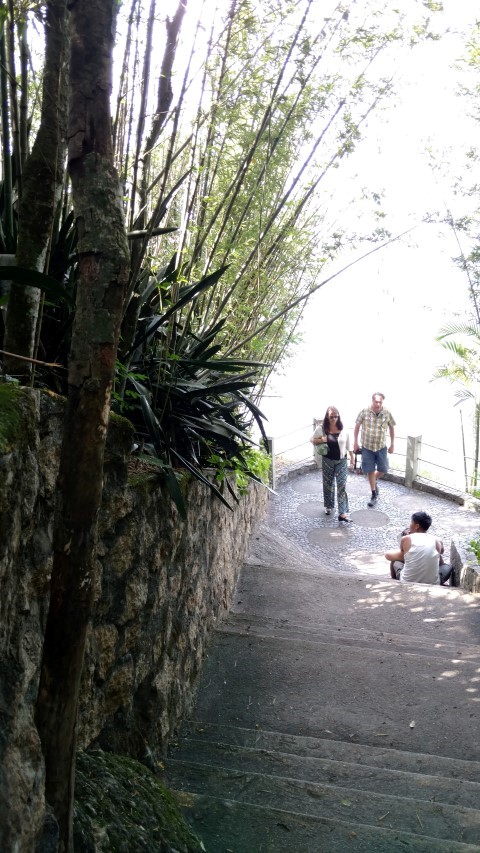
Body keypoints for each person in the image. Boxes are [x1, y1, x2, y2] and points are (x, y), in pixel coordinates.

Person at [385, 511, 454, 585]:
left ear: (417, 526)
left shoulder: (406, 539)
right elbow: (442, 552)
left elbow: (393, 555)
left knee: (395, 561)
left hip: (406, 581)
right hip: (433, 583)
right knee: (447, 566)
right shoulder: (437, 540)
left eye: (411, 522)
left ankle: (394, 582)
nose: (409, 525)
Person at [311, 406, 354, 522]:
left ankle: (342, 513)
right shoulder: (322, 428)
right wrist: (322, 440)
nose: (334, 418)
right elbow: (312, 440)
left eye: (336, 416)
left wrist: (352, 458)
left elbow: (349, 444)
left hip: (342, 460)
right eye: (331, 417)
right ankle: (329, 506)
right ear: (327, 417)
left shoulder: (343, 428)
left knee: (342, 485)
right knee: (328, 484)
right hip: (327, 460)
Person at [353, 392, 396, 507]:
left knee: (383, 468)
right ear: (372, 401)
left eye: (380, 402)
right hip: (367, 447)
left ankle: (373, 480)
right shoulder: (364, 411)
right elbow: (357, 426)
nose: (378, 404)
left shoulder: (387, 413)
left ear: (382, 402)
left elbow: (392, 427)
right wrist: (355, 442)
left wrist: (392, 444)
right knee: (370, 470)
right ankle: (373, 494)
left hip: (381, 447)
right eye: (376, 401)